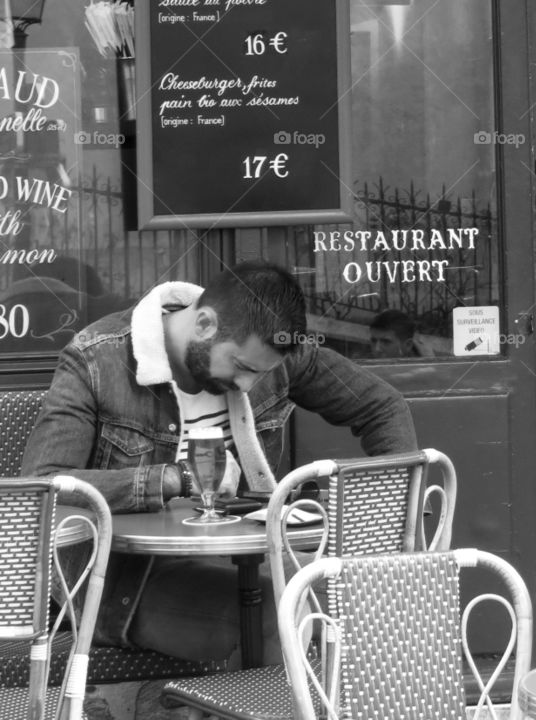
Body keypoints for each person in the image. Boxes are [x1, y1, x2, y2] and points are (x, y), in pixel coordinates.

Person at [22, 261, 417, 665]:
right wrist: (174, 479)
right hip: (123, 579)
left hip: (248, 558)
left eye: (258, 373)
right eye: (242, 367)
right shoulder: (96, 360)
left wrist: (394, 518)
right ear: (205, 325)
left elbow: (383, 407)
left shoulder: (270, 353)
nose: (247, 384)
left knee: (364, 607)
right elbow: (43, 484)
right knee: (281, 618)